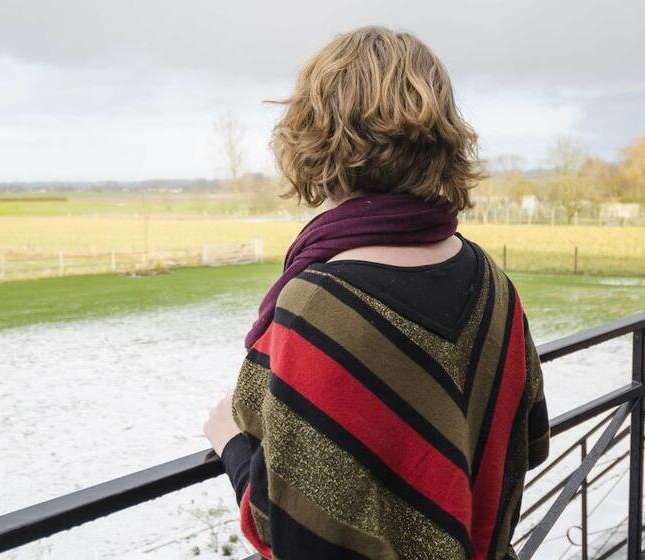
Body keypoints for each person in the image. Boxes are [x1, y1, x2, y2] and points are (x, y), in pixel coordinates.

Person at [203, 25, 549, 560]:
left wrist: (228, 441)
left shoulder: (317, 305)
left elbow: (295, 531)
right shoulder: (492, 281)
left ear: (313, 136)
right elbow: (530, 440)